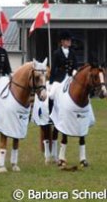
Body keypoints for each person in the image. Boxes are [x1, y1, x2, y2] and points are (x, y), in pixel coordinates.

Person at [48, 30, 78, 164]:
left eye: (70, 41)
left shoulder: (72, 53)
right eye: (67, 40)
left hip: (70, 79)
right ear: (62, 42)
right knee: (52, 93)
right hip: (59, 79)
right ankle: (50, 114)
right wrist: (51, 83)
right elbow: (54, 68)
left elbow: (76, 66)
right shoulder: (56, 53)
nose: (69, 42)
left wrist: (74, 73)